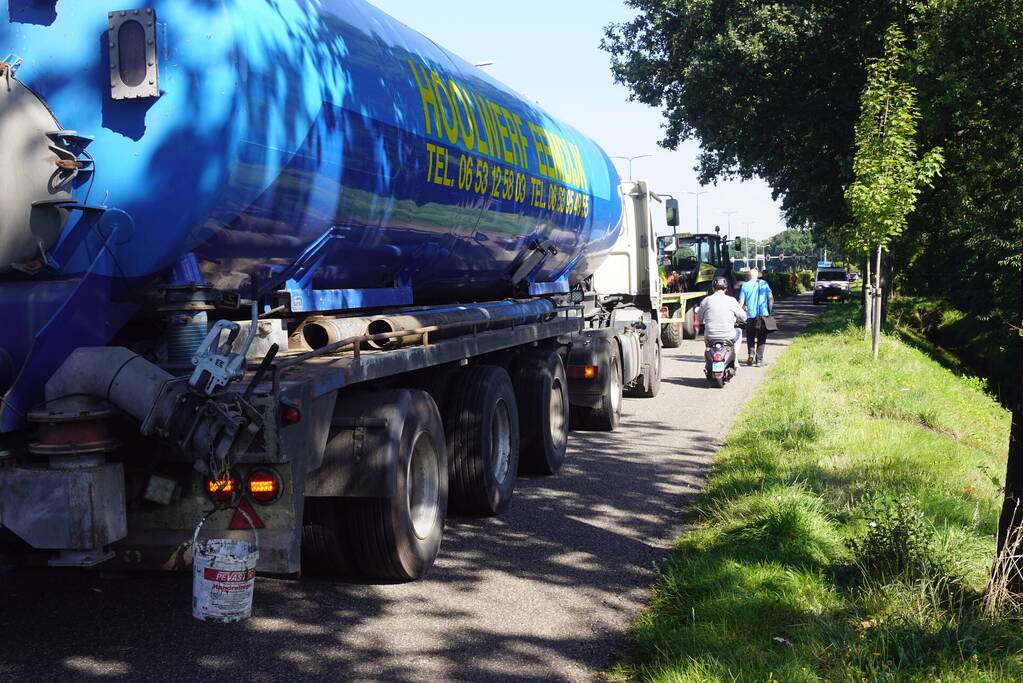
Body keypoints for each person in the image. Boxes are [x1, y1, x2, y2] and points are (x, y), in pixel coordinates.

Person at [738, 268, 774, 366]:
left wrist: (738, 314)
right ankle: (759, 360)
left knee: (750, 336)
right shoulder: (764, 284)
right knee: (761, 337)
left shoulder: (745, 285)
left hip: (750, 316)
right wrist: (769, 311)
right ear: (757, 275)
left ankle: (751, 354)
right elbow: (770, 298)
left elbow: (741, 302)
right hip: (762, 316)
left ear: (749, 276)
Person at [698, 275, 747, 347]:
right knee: (739, 331)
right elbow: (744, 317)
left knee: (706, 336)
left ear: (713, 288)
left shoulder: (706, 300)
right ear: (726, 289)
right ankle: (735, 356)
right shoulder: (732, 300)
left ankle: (708, 351)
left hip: (710, 336)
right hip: (729, 336)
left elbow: (699, 318)